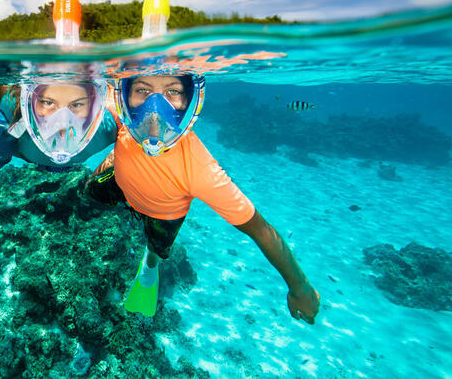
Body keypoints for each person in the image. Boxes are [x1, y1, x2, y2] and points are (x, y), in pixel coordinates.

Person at [88, 74, 320, 322]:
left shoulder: (201, 171)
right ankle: (116, 163)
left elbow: (259, 229)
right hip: (121, 182)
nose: (154, 110)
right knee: (88, 193)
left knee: (156, 247)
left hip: (164, 215)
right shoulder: (122, 114)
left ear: (190, 101)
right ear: (124, 96)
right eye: (143, 90)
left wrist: (301, 287)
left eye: (173, 92)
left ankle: (149, 267)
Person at [3, 79, 118, 170]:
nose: (63, 124)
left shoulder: (110, 125)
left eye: (77, 104)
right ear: (29, 103)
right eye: (48, 103)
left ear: (94, 105)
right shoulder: (9, 122)